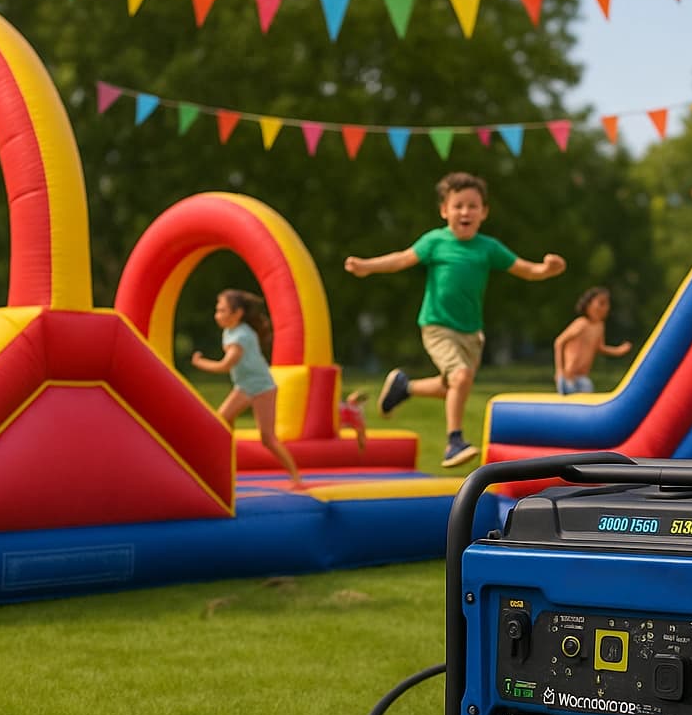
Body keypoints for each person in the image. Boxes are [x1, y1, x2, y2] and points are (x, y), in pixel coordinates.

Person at [344, 172, 566, 467]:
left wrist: (548, 269)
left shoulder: (489, 248)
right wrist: (366, 266)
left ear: (484, 212)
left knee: (452, 387)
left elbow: (526, 270)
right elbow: (401, 259)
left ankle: (403, 387)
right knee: (460, 377)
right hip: (437, 325)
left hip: (471, 333)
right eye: (458, 205)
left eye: (473, 206)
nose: (465, 212)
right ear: (444, 210)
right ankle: (454, 442)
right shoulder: (435, 241)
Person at [191, 288, 304, 488]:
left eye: (222, 310)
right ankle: (224, 469)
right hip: (244, 386)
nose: (218, 315)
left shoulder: (240, 336)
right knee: (222, 422)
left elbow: (225, 365)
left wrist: (200, 363)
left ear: (237, 314)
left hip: (262, 387)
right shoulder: (230, 331)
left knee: (267, 439)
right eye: (218, 310)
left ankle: (296, 477)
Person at [553, 286, 632, 394]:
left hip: (582, 377)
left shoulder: (599, 326)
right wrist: (559, 370)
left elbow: (600, 347)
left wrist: (618, 351)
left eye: (606, 304)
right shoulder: (581, 323)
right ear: (588, 305)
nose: (605, 308)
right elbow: (559, 342)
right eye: (601, 303)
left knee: (586, 392)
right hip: (568, 376)